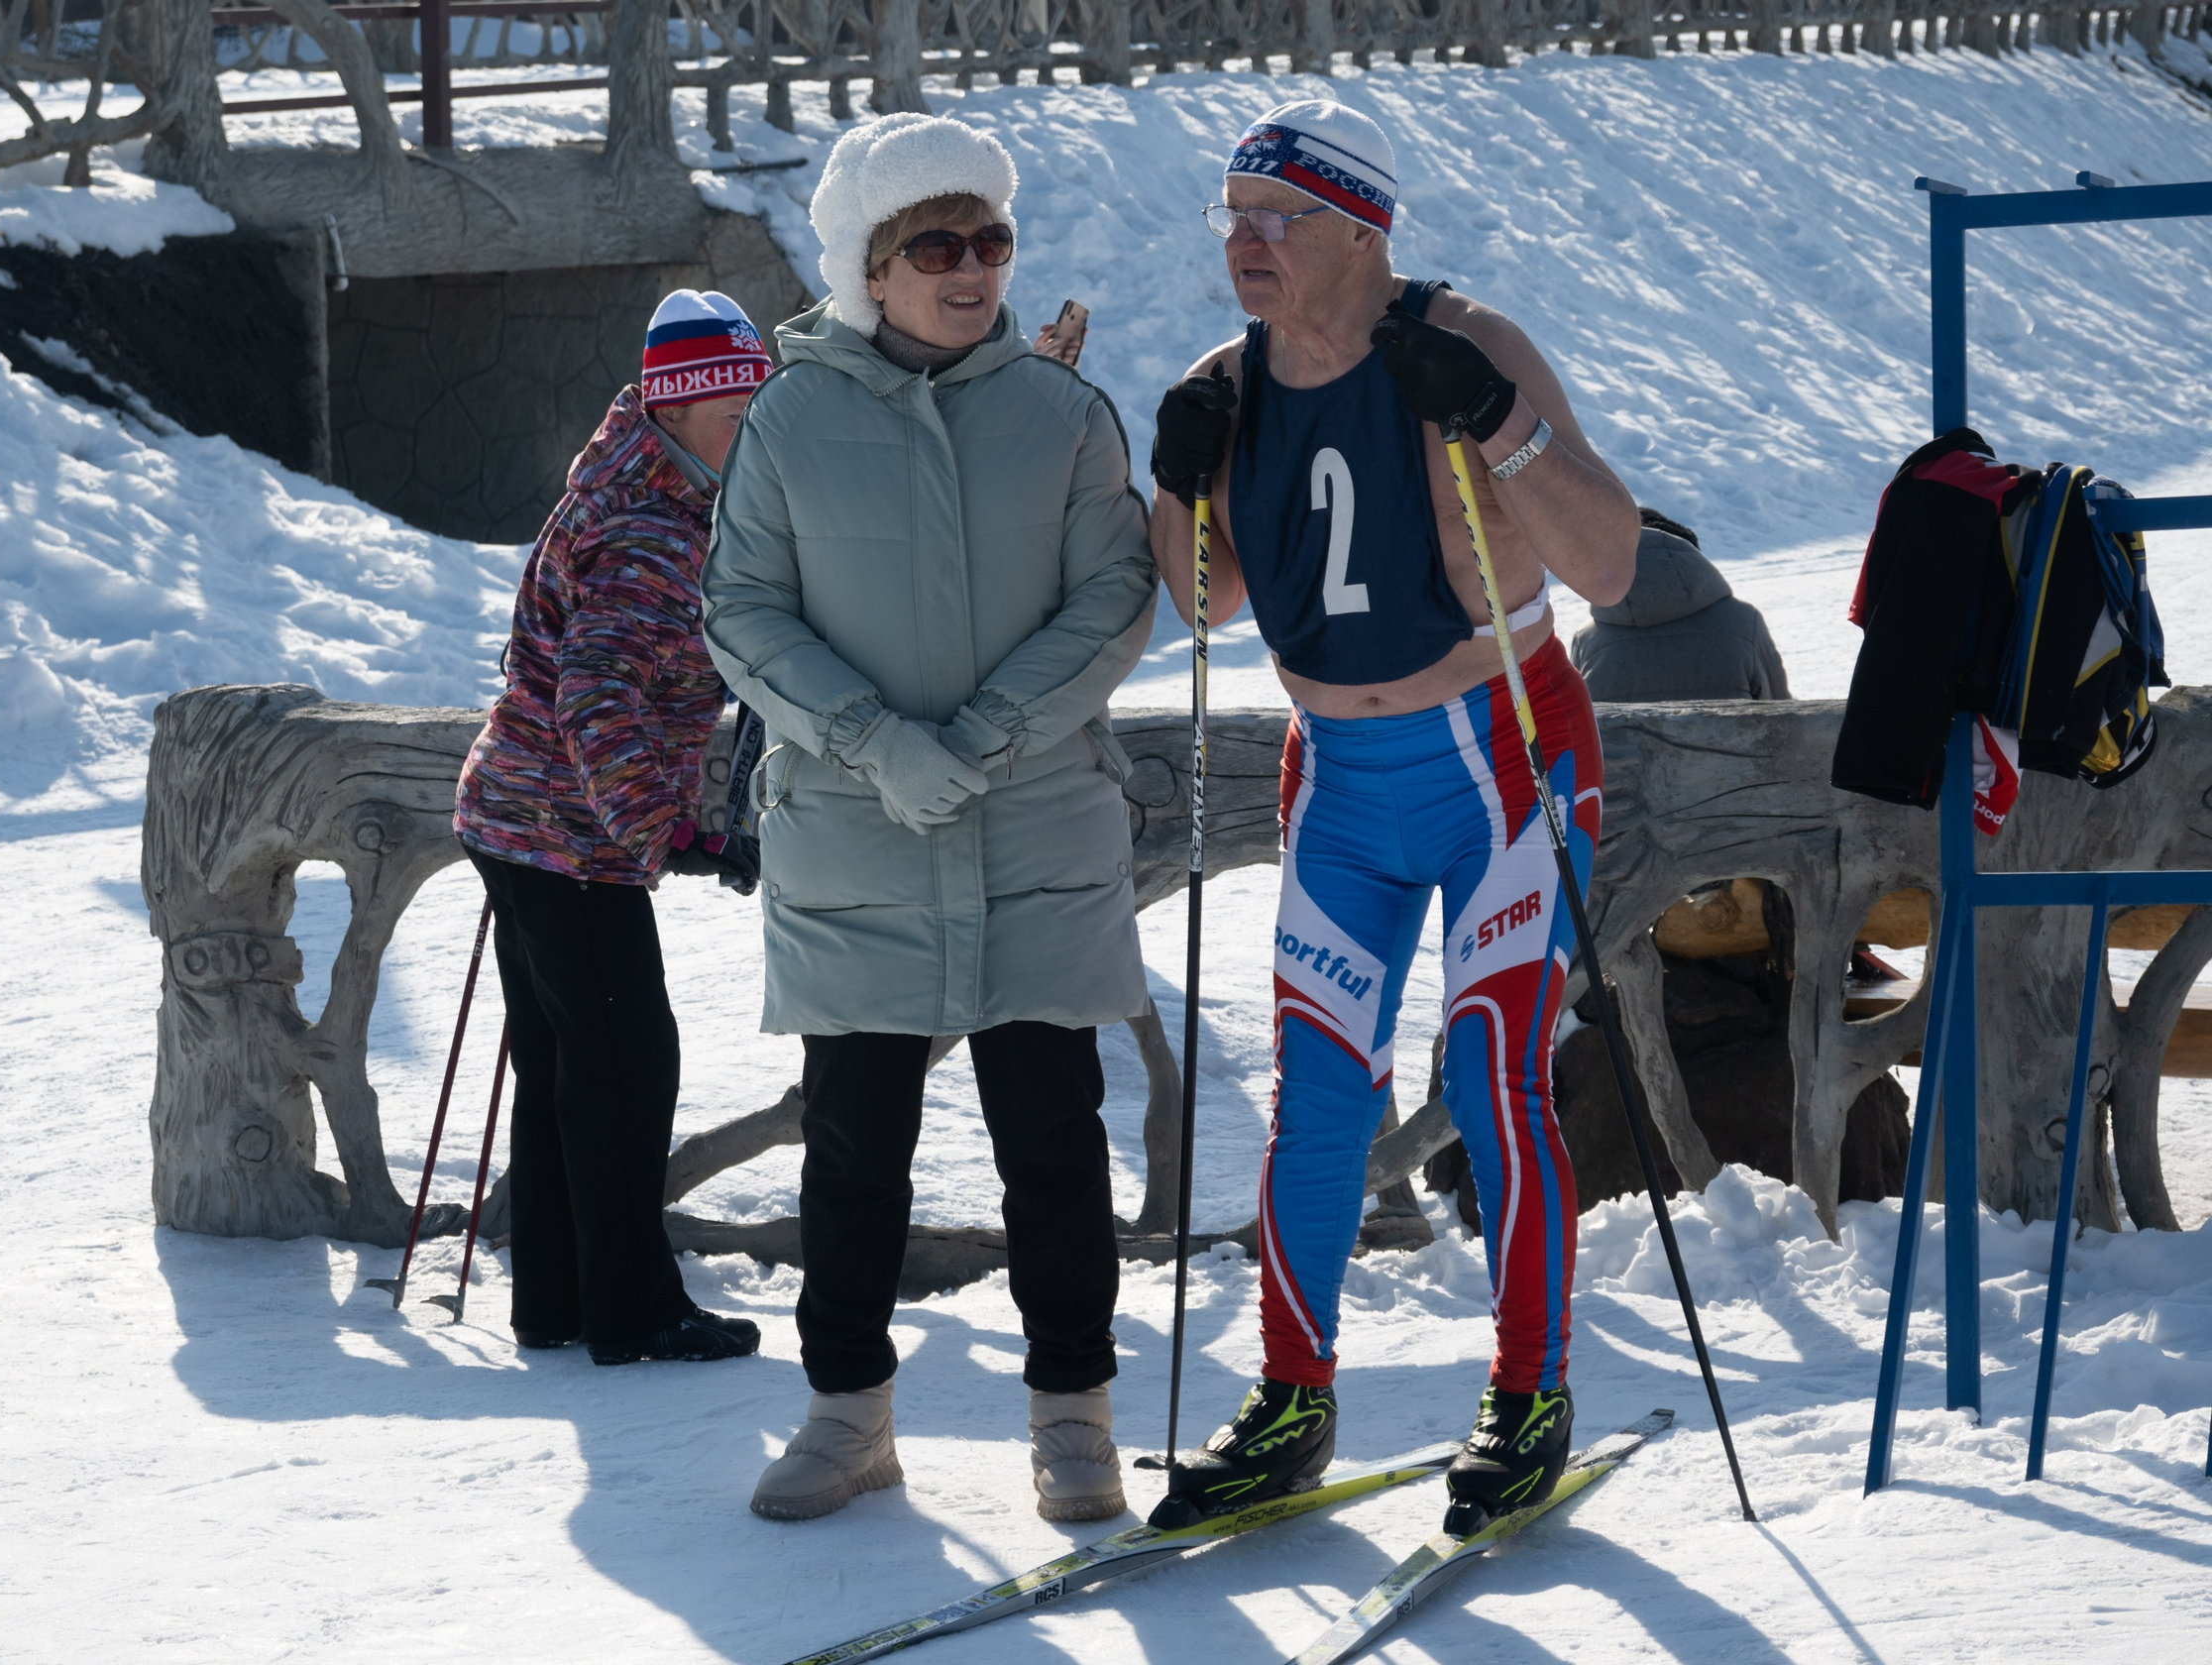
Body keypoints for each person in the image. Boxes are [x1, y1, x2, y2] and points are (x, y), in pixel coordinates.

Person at [1143, 101, 1640, 1532]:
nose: (1241, 245)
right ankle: (1291, 1396)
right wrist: (1177, 482)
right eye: (1228, 217)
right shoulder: (1224, 380)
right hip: (1342, 784)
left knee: (1491, 1069)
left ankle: (1529, 1388)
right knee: (1318, 1099)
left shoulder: (1465, 343)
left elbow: (1610, 562)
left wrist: (1506, 423)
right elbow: (1204, 597)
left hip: (1505, 757)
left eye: (1271, 219)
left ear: (1360, 226)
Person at [702, 113, 1158, 1524]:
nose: (973, 270)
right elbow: (741, 607)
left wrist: (982, 736)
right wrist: (872, 741)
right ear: (871, 268)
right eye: (936, 246)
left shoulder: (1066, 413)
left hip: (1034, 825)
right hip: (856, 825)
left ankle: (1072, 1412)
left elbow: (1114, 597)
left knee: (1055, 1141)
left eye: (991, 240)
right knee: (852, 1149)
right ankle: (848, 1414)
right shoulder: (788, 415)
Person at [451, 289, 771, 1368]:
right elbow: (597, 700)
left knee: (563, 1068)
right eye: (732, 407)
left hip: (526, 824)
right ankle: (633, 1311)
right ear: (676, 409)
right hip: (564, 836)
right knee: (628, 1067)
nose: (750, 423)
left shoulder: (649, 482)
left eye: (757, 399)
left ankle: (555, 1300)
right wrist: (669, 833)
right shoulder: (644, 526)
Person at [1570, 509, 1789, 703]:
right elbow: (1780, 713)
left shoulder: (1587, 638)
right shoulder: (1743, 621)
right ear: (1692, 559)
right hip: (1732, 749)